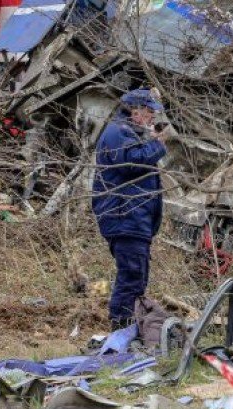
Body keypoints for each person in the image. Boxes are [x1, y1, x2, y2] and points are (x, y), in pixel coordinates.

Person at [92, 89, 172, 331]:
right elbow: (130, 163)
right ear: (134, 111)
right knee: (131, 277)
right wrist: (158, 145)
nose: (151, 117)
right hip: (123, 215)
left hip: (134, 218)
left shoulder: (130, 132)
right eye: (148, 112)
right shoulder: (118, 131)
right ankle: (121, 330)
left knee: (136, 277)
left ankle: (130, 329)